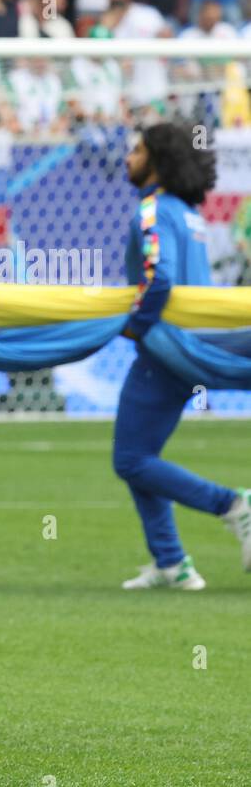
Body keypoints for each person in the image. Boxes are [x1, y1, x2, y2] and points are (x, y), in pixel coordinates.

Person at [115, 122, 251, 589]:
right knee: (138, 455)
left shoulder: (152, 211)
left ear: (156, 159)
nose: (128, 157)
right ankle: (171, 563)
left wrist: (136, 324)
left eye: (136, 149)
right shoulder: (189, 214)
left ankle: (233, 505)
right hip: (191, 344)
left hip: (166, 348)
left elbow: (160, 276)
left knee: (131, 460)